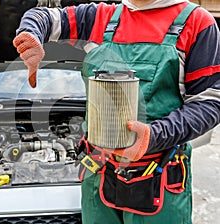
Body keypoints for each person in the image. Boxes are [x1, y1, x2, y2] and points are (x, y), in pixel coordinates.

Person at [13, 0, 220, 223]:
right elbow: (45, 17)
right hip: (98, 173)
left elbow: (209, 102)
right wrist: (31, 35)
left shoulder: (197, 23)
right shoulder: (100, 17)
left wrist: (154, 136)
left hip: (159, 178)